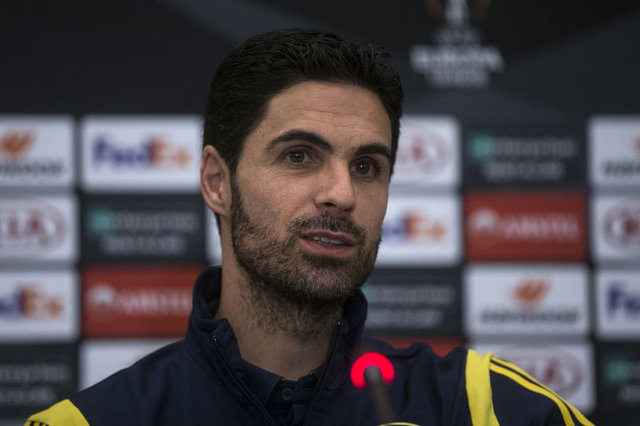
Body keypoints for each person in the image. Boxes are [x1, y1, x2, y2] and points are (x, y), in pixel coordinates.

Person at [26, 28, 592, 426]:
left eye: (366, 167)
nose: (342, 193)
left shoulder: (481, 405)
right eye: (299, 156)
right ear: (218, 183)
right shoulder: (87, 421)